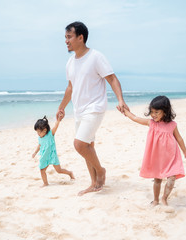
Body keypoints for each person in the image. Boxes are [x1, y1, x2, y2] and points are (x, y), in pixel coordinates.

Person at [56, 21, 129, 196]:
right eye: (65, 37)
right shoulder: (70, 62)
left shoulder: (96, 57)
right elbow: (70, 87)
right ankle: (94, 183)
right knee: (88, 146)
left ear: (80, 37)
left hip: (95, 107)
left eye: (69, 37)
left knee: (79, 144)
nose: (66, 41)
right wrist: (62, 107)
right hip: (79, 110)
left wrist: (120, 99)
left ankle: (101, 171)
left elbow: (112, 78)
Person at [123, 96, 186, 206]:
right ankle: (156, 200)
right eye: (152, 111)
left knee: (171, 179)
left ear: (165, 112)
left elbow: (179, 138)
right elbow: (135, 118)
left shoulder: (172, 125)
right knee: (157, 180)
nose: (153, 115)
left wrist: (185, 151)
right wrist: (125, 111)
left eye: (157, 112)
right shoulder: (151, 123)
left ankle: (164, 198)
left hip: (171, 156)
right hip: (157, 157)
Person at [32, 115, 75, 187]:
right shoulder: (40, 138)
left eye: (39, 132)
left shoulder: (50, 134)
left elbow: (56, 126)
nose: (38, 134)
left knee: (59, 170)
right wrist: (35, 152)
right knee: (42, 170)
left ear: (45, 130)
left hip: (52, 156)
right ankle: (45, 183)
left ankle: (70, 173)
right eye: (37, 132)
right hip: (44, 156)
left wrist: (58, 120)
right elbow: (39, 145)